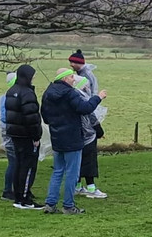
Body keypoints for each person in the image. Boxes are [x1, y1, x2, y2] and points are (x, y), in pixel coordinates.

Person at [40, 67, 106, 214]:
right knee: (72, 173)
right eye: (71, 77)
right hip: (73, 138)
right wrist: (98, 97)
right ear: (64, 79)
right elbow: (85, 108)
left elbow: (45, 117)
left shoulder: (47, 93)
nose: (73, 79)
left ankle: (50, 204)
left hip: (57, 138)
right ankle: (68, 206)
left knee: (57, 171)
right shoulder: (70, 93)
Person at [69, 50, 108, 199]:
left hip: (78, 133)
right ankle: (91, 188)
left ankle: (78, 186)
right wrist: (98, 129)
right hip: (87, 133)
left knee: (79, 158)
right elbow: (89, 112)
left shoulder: (74, 96)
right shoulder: (82, 99)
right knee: (89, 158)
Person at [4, 65, 44, 210]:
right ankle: (25, 199)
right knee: (27, 167)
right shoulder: (27, 93)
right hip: (26, 135)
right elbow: (31, 117)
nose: (34, 78)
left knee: (18, 165)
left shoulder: (11, 91)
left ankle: (18, 196)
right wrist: (36, 136)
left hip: (15, 134)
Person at [0, 72, 18, 200]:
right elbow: (7, 117)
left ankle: (10, 189)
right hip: (11, 132)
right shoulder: (11, 97)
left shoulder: (5, 97)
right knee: (14, 162)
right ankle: (8, 190)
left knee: (13, 162)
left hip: (8, 131)